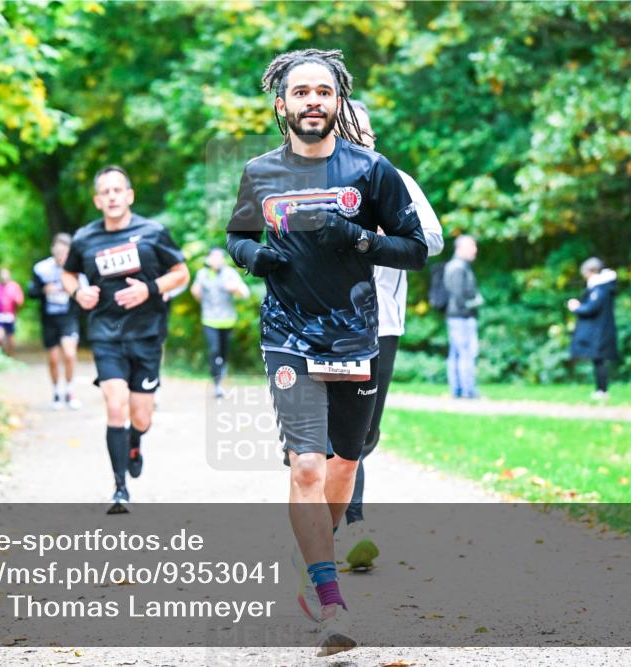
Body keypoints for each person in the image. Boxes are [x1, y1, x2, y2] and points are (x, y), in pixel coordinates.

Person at [226, 49, 427, 656]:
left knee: (343, 464)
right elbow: (237, 234)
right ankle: (329, 599)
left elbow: (416, 248)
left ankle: (317, 553)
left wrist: (362, 238)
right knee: (307, 466)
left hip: (356, 336)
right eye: (300, 92)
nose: (312, 101)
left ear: (337, 100)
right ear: (280, 103)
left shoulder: (371, 170)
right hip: (287, 333)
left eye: (323, 91)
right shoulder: (260, 172)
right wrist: (253, 256)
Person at [338, 101, 445, 559]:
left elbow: (433, 239)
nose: (364, 139)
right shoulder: (310, 180)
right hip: (320, 320)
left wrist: (381, 234)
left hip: (381, 322)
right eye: (354, 131)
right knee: (328, 434)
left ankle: (343, 521)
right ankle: (351, 526)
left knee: (364, 434)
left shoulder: (395, 181)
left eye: (369, 133)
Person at [63, 165, 189, 513]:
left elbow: (181, 273)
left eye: (118, 190)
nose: (113, 197)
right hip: (106, 334)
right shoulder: (85, 239)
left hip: (146, 335)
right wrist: (78, 293)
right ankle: (120, 488)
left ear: (129, 195)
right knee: (114, 404)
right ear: (97, 200)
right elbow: (68, 273)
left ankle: (135, 441)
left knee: (141, 418)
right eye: (106, 192)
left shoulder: (153, 232)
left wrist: (149, 289)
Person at [29, 234, 83, 410]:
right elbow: (31, 291)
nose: (61, 256)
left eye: (64, 253)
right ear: (53, 251)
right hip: (49, 319)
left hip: (69, 317)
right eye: (58, 252)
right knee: (53, 359)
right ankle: (56, 393)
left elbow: (85, 291)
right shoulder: (41, 269)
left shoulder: (77, 269)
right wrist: (44, 289)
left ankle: (69, 391)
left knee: (70, 354)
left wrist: (74, 292)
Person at [191, 247, 249, 399]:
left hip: (227, 321)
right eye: (213, 257)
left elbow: (245, 293)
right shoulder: (202, 274)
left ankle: (221, 376)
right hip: (209, 320)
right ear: (208, 260)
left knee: (223, 353)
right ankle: (217, 385)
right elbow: (197, 295)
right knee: (214, 350)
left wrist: (234, 289)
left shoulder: (230, 273)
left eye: (219, 258)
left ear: (223, 260)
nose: (216, 260)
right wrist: (195, 292)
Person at [568, 257, 618, 399]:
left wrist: (576, 307)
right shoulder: (602, 287)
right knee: (598, 360)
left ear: (591, 271)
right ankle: (600, 390)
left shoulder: (600, 289)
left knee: (599, 360)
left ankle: (602, 391)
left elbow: (592, 308)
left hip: (600, 332)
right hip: (600, 330)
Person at [444, 235, 483, 399]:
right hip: (461, 318)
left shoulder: (458, 266)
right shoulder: (458, 267)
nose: (475, 250)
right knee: (466, 352)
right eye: (471, 246)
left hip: (457, 317)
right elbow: (459, 297)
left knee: (456, 353)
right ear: (460, 248)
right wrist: (476, 302)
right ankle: (468, 391)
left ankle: (458, 390)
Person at [0, 267, 24, 356]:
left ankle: (9, 356)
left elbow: (20, 300)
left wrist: (17, 301)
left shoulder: (15, 286)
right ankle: (1, 353)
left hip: (10, 315)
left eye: (5, 274)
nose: (3, 276)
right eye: (2, 274)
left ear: (9, 275)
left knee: (10, 338)